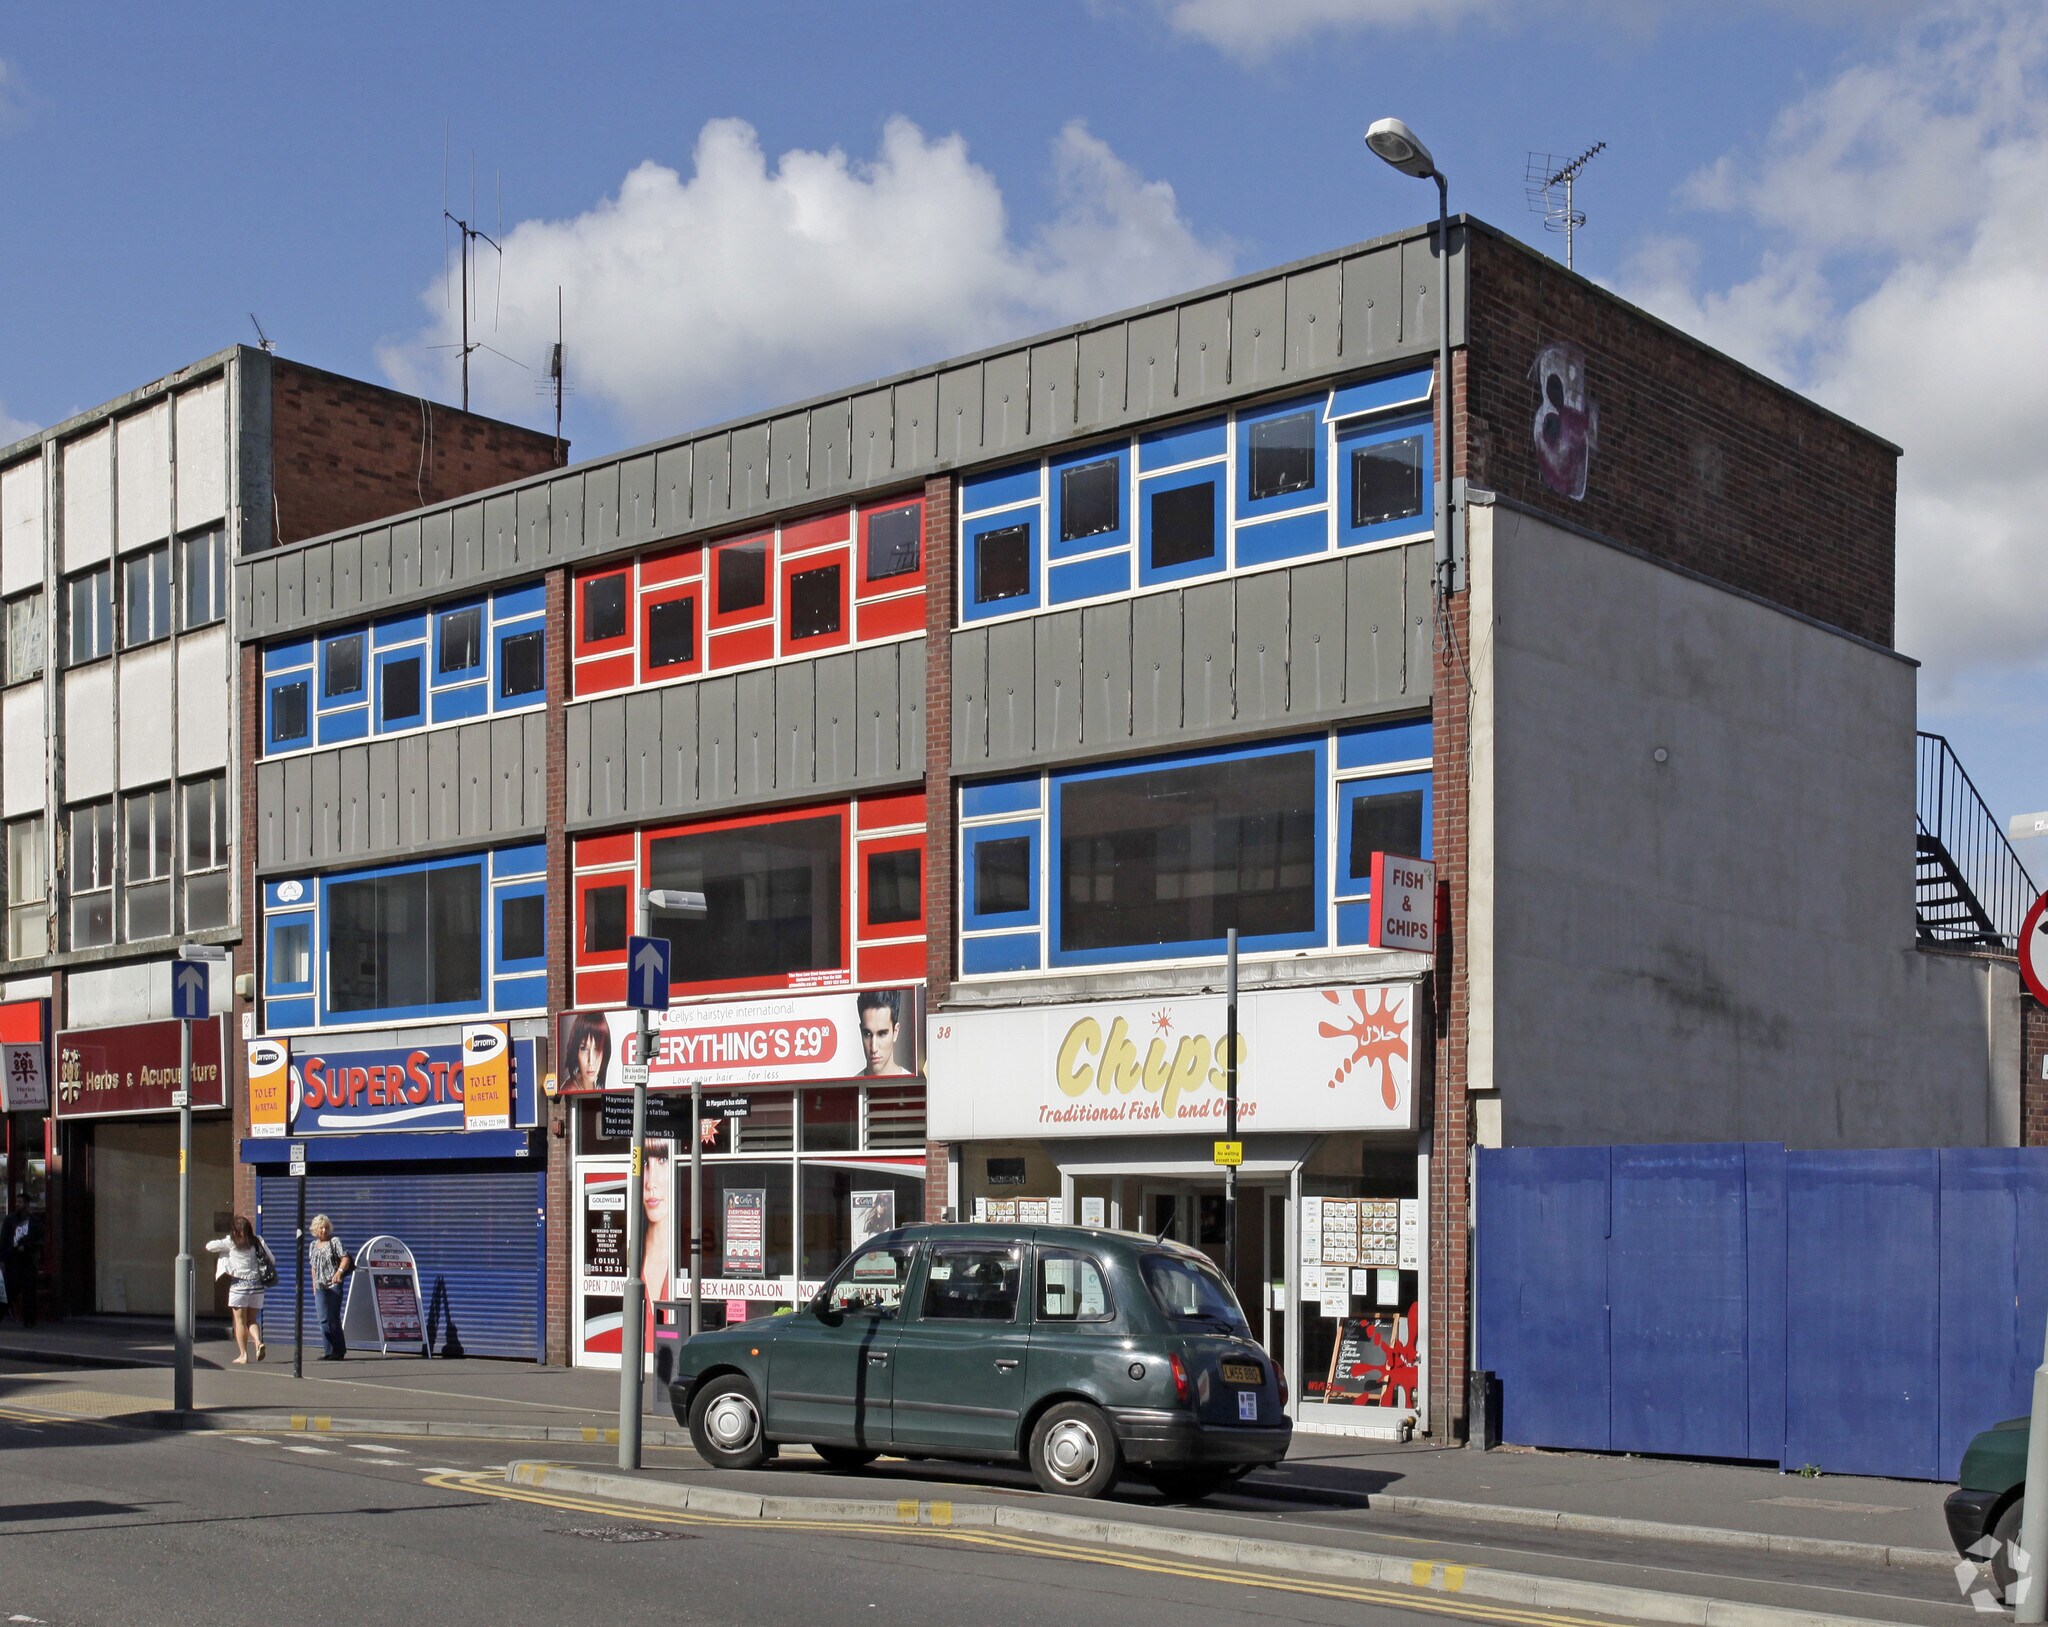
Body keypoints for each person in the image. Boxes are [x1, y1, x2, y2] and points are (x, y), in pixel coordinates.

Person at [205, 1215, 275, 1364]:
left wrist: (226, 1242)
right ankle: (258, 1342)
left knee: (240, 1321)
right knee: (252, 1320)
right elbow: (272, 1259)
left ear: (235, 1230)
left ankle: (243, 1355)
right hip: (257, 1285)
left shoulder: (231, 1242)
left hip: (239, 1286)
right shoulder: (258, 1241)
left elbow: (209, 1246)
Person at [308, 1215, 351, 1361]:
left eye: (326, 1227)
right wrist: (314, 1285)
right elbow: (313, 1267)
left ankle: (339, 1351)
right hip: (320, 1285)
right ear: (315, 1229)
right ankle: (328, 1351)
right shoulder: (313, 1245)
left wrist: (339, 1272)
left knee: (333, 1318)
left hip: (334, 1284)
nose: (324, 1230)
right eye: (321, 1227)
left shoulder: (334, 1241)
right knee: (323, 1319)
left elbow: (345, 1258)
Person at [856, 990, 912, 1077]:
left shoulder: (916, 1084)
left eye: (882, 1034)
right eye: (867, 1034)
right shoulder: (849, 1085)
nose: (874, 1048)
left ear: (895, 1032)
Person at [2, 1202, 41, 1326]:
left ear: (26, 1205)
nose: (17, 1204)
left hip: (28, 1260)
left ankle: (29, 1320)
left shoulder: (34, 1221)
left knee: (28, 1291)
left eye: (20, 1202)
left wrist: (27, 1247)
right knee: (10, 1289)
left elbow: (39, 1240)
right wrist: (3, 1258)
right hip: (13, 1260)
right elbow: (4, 1239)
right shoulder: (10, 1220)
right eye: (17, 1202)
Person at [560, 1012, 612, 1093]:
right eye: (584, 1049)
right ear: (576, 1051)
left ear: (605, 1052)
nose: (590, 1061)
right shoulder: (570, 1090)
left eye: (597, 1049)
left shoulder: (590, 1085)